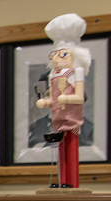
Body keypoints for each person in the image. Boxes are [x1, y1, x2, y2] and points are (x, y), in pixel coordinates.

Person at [36, 13, 92, 188]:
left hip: (71, 116)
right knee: (59, 148)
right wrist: (46, 102)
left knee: (71, 147)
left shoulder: (76, 73)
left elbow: (79, 97)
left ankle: (71, 181)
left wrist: (67, 97)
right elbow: (53, 97)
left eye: (64, 54)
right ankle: (61, 180)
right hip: (58, 116)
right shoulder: (55, 75)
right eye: (56, 54)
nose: (58, 58)